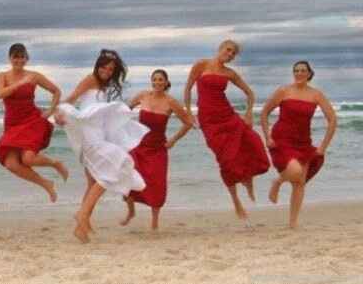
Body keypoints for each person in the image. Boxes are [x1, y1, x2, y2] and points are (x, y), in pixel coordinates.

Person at [54, 49, 148, 243]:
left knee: (92, 182)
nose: (106, 71)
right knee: (112, 171)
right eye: (103, 67)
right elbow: (71, 99)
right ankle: (82, 215)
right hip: (90, 136)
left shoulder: (104, 87)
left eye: (111, 69)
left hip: (99, 133)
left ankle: (83, 223)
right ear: (97, 67)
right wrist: (59, 114)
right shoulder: (89, 79)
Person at [183, 40, 270, 225]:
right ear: (220, 48)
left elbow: (250, 94)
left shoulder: (230, 73)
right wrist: (189, 114)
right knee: (226, 160)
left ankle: (248, 178)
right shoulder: (201, 65)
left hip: (228, 116)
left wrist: (248, 115)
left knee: (253, 141)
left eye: (233, 54)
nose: (229, 55)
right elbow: (188, 88)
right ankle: (236, 201)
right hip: (209, 121)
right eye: (228, 50)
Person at [261, 60, 337, 229]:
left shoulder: (316, 95)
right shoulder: (283, 91)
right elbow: (265, 113)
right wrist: (267, 136)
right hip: (282, 139)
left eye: (303, 70)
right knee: (295, 171)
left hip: (303, 141)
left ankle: (293, 223)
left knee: (299, 182)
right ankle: (278, 182)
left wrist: (323, 146)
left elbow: (332, 120)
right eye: (296, 70)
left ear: (309, 74)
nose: (299, 73)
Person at [0, 43, 68, 203]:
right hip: (12, 124)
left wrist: (50, 110)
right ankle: (46, 184)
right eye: (15, 56)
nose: (19, 60)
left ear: (26, 58)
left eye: (22, 56)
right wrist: (20, 83)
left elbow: (56, 91)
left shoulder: (34, 76)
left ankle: (55, 163)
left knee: (28, 159)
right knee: (11, 164)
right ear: (10, 58)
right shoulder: (2, 76)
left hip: (32, 121)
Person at [120, 69, 192, 230]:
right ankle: (131, 212)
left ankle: (154, 223)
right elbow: (123, 112)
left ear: (166, 83)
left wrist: (173, 140)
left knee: (156, 184)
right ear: (151, 81)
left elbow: (188, 123)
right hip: (139, 145)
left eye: (161, 80)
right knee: (128, 177)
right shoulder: (142, 96)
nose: (158, 82)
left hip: (158, 148)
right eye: (155, 79)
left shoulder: (171, 102)